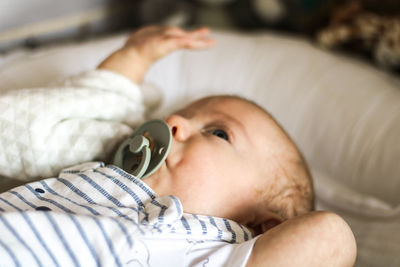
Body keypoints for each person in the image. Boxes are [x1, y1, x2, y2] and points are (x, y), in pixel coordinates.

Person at [0, 26, 356, 266]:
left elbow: (331, 237)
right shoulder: (102, 164)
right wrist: (135, 57)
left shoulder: (212, 250)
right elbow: (79, 112)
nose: (175, 123)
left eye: (218, 133)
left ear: (263, 226)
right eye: (176, 116)